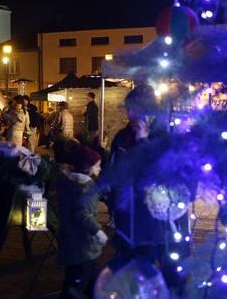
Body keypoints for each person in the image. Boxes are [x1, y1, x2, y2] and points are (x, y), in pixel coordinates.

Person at [105, 84, 188, 293]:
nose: (130, 114)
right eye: (128, 109)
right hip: (130, 220)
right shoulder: (122, 137)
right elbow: (114, 172)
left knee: (168, 273)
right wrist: (113, 206)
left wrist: (142, 142)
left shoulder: (164, 137)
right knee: (137, 276)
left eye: (135, 109)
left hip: (161, 223)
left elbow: (157, 174)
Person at [55, 140, 107, 298]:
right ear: (87, 168)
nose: (100, 168)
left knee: (92, 280)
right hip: (83, 246)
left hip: (74, 244)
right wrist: (98, 231)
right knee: (76, 285)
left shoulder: (70, 183)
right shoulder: (86, 188)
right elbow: (82, 214)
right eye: (97, 166)